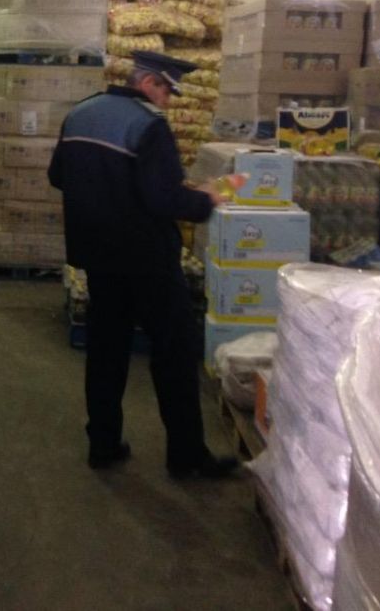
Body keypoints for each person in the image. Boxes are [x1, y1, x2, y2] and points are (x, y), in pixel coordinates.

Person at [47, 50, 238, 479]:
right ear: (150, 83)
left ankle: (103, 444)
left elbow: (57, 175)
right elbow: (162, 199)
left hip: (98, 256)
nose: (168, 101)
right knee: (174, 351)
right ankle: (187, 456)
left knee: (106, 350)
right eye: (168, 91)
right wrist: (206, 198)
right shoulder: (148, 124)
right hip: (146, 259)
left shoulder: (80, 113)